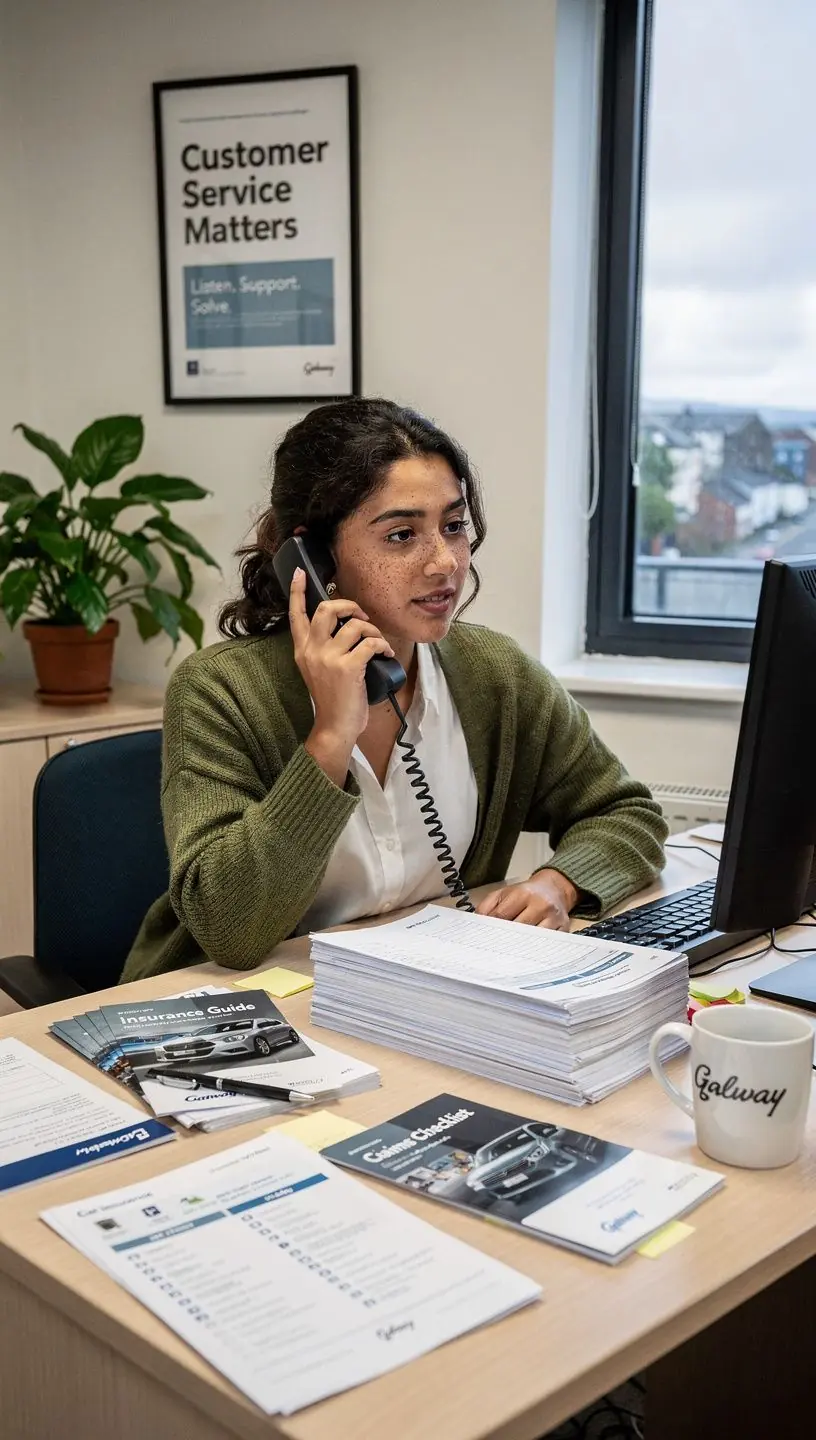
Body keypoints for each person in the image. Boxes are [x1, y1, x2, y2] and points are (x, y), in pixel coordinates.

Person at [121, 398, 667, 982]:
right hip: (233, 1007)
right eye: (402, 534)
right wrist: (330, 737)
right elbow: (229, 929)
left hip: (415, 996)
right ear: (313, 555)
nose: (444, 563)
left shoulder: (494, 674)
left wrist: (558, 884)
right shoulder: (220, 690)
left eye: (454, 527)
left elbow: (626, 811)